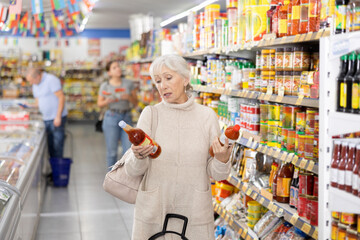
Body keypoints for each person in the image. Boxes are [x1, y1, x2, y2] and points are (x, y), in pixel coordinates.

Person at [124, 54, 232, 240]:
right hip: (155, 209)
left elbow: (218, 174)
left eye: (168, 78)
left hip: (194, 211)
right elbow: (132, 171)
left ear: (185, 79)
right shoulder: (151, 115)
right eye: (157, 80)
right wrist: (138, 156)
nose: (162, 85)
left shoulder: (206, 116)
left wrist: (222, 159)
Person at [97, 60, 138, 169]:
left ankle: (126, 177)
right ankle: (111, 177)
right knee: (112, 151)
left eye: (118, 66)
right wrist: (107, 101)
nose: (118, 69)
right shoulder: (105, 86)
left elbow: (136, 102)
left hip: (126, 117)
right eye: (114, 67)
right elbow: (99, 104)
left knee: (128, 150)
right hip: (111, 117)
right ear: (109, 72)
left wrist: (128, 97)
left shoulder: (128, 83)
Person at [26, 68, 67, 159]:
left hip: (56, 118)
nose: (30, 83)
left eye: (31, 81)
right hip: (46, 119)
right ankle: (53, 170)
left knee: (57, 147)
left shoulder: (51, 80)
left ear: (37, 76)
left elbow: (61, 98)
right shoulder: (35, 84)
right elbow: (38, 103)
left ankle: (58, 172)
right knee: (50, 147)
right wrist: (29, 106)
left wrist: (58, 116)